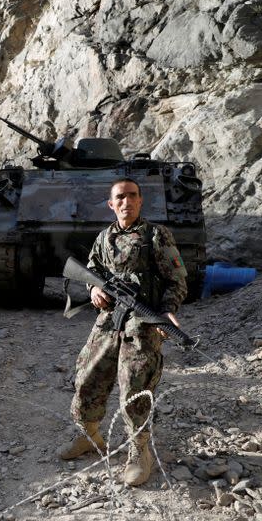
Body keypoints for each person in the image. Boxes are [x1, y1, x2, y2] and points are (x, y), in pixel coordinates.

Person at [57, 177, 188, 486]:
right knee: (87, 377)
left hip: (142, 322)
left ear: (140, 201)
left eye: (133, 196)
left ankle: (139, 451)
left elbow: (176, 280)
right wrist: (93, 290)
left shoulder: (156, 235)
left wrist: (168, 311)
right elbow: (93, 270)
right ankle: (89, 435)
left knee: (135, 385)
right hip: (109, 319)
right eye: (120, 197)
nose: (127, 201)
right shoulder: (103, 238)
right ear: (111, 204)